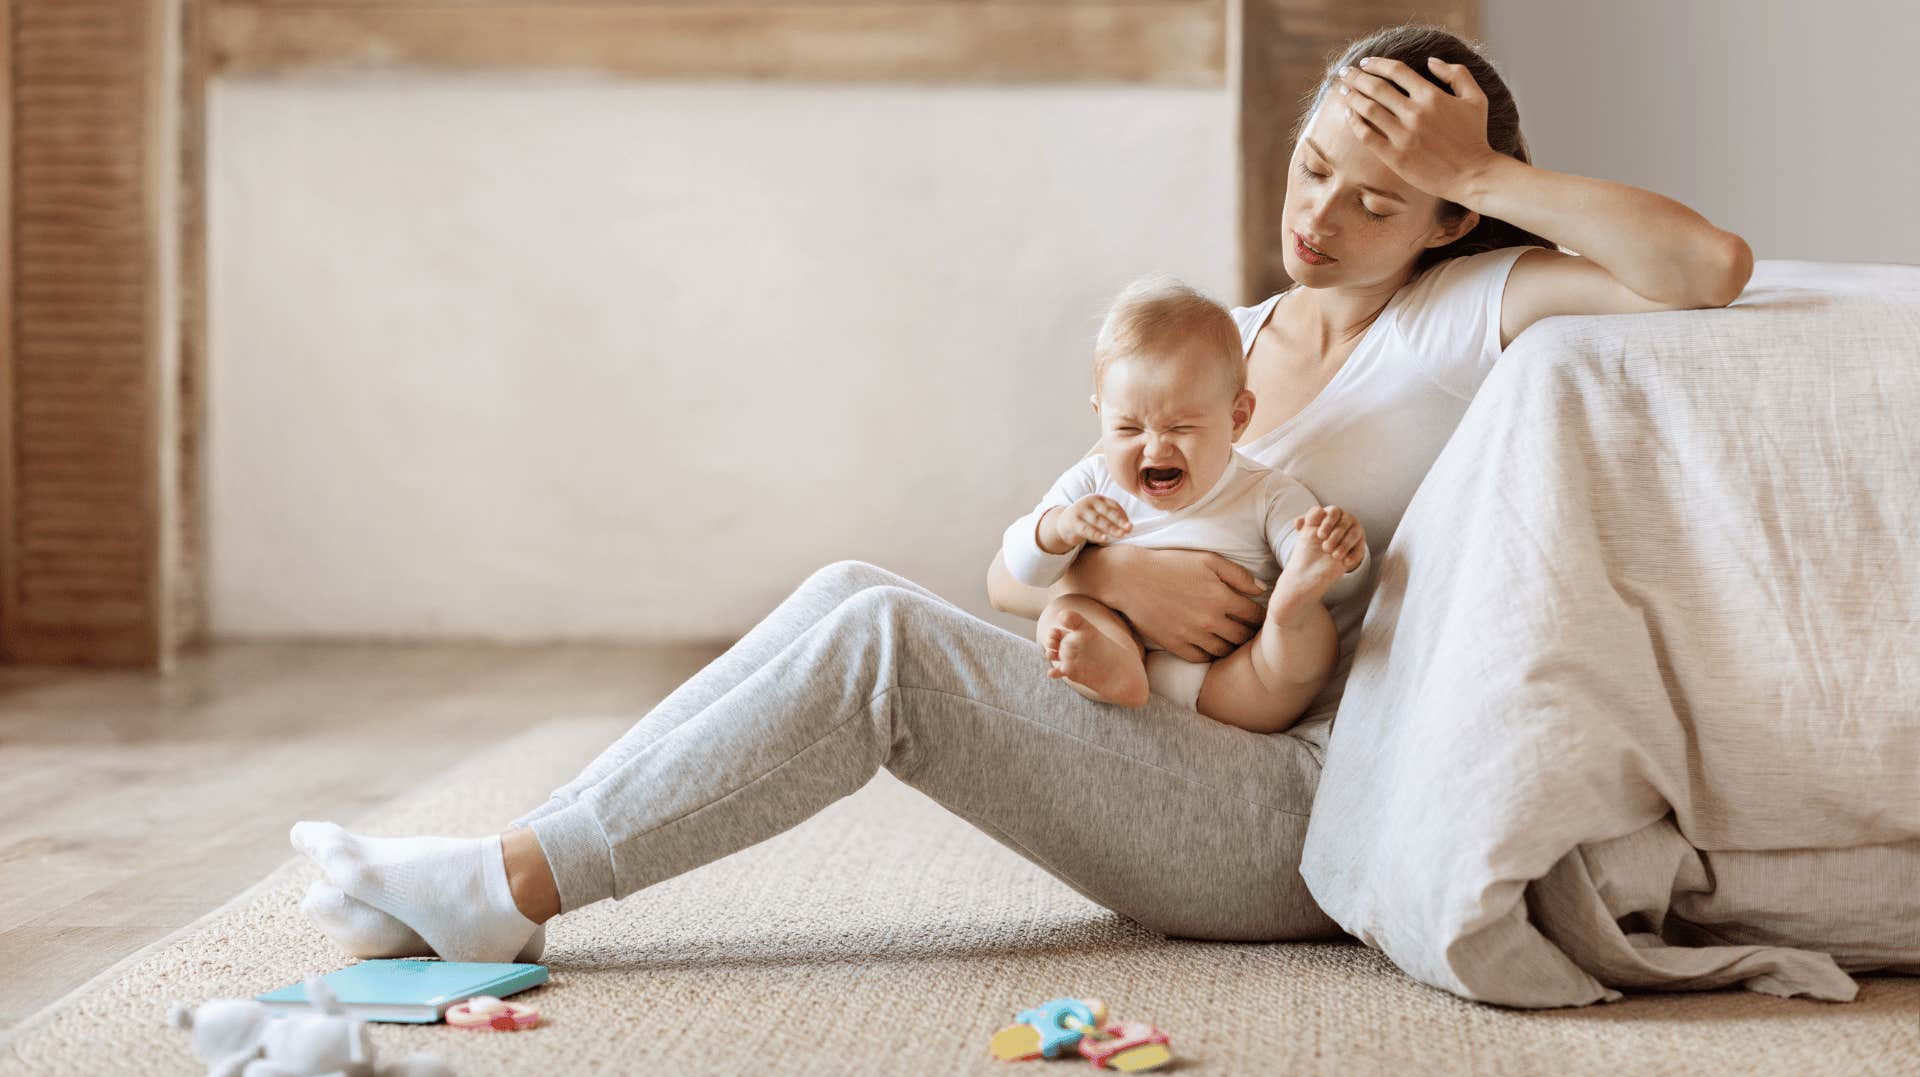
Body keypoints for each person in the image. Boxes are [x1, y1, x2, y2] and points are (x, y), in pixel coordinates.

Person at [289, 24, 1755, 961]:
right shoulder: (1228, 344)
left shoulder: (1468, 310)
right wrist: (1111, 578)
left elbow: (1706, 273)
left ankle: (507, 886)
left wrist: (1491, 166)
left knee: (882, 653)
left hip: (1292, 823)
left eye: (1376, 199)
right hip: (1167, 745)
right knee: (853, 593)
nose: (1319, 217)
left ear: (1451, 215)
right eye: (1314, 169)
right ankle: (512, 865)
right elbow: (1018, 574)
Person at [1002, 276, 1370, 730]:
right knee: (1064, 618)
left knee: (1309, 633)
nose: (1155, 449)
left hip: (1230, 679)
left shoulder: (1265, 492)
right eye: (1129, 430)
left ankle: (1286, 611)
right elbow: (1022, 568)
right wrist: (1057, 528)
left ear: (1237, 419)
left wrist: (1325, 557)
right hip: (1121, 645)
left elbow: (1332, 582)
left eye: (1180, 429)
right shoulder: (1091, 484)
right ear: (1101, 416)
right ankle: (1112, 669)